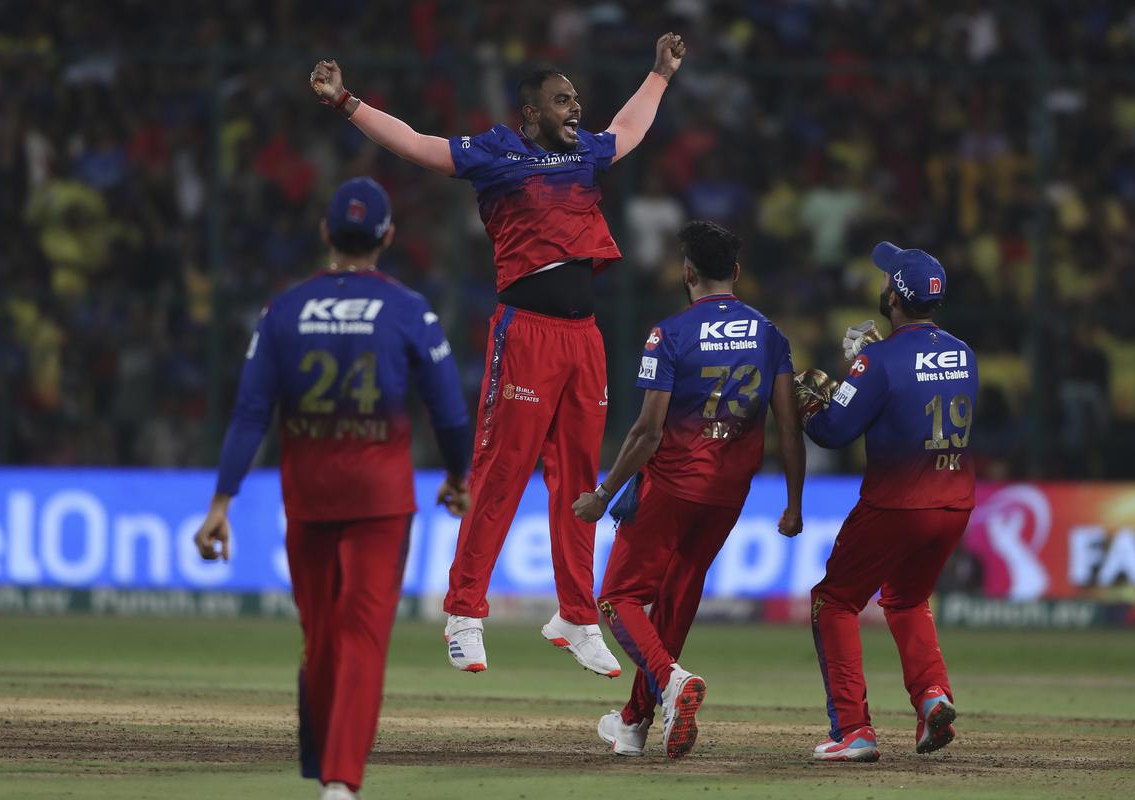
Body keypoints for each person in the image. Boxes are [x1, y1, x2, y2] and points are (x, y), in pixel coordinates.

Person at [310, 33, 687, 677]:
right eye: (562, 101)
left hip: (584, 340)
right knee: (502, 470)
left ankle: (575, 615)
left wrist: (659, 75)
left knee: (577, 481)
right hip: (528, 334)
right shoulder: (498, 152)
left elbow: (628, 129)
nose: (576, 109)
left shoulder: (588, 153)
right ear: (531, 113)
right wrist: (347, 102)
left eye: (576, 99)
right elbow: (420, 146)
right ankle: (463, 611)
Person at [193, 178, 471, 800]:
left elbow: (248, 414)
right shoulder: (408, 309)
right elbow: (450, 414)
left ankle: (324, 767)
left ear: (325, 234)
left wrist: (221, 503)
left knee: (319, 636)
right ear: (388, 237)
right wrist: (458, 476)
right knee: (362, 637)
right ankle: (340, 783)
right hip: (379, 501)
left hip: (309, 498)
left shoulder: (284, 310)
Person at [572, 221, 806, 759]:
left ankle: (671, 682)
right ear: (737, 273)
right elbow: (789, 428)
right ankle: (633, 723)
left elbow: (648, 432)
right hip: (729, 494)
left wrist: (605, 493)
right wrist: (794, 503)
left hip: (672, 486)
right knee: (675, 599)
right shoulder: (770, 334)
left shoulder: (669, 334)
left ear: (688, 272)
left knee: (618, 598)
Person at [794, 242, 977, 762]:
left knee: (834, 601)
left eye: (886, 280)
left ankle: (853, 730)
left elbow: (832, 432)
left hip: (896, 505)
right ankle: (932, 697)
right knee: (906, 600)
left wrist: (816, 398)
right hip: (955, 504)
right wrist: (867, 368)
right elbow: (914, 395)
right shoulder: (964, 352)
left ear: (894, 296)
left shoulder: (878, 360)